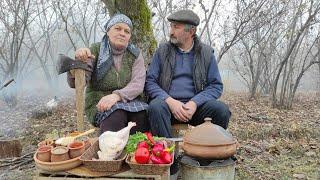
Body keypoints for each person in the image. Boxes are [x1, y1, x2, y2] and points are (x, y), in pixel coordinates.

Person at [145, 9, 231, 138]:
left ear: (191, 32)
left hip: (195, 109)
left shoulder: (206, 53)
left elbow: (215, 86)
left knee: (221, 110)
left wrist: (194, 103)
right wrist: (170, 101)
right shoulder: (162, 51)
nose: (171, 32)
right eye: (171, 27)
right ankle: (166, 154)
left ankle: (205, 155)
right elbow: (150, 82)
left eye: (176, 27)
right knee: (155, 107)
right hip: (167, 107)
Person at [67, 14, 149, 134]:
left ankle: (139, 151)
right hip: (100, 102)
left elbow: (138, 84)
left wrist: (117, 96)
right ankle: (109, 151)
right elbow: (78, 82)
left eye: (127, 31)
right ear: (108, 31)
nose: (122, 33)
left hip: (129, 100)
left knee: (141, 116)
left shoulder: (135, 54)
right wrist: (80, 61)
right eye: (118, 28)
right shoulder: (96, 50)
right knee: (116, 115)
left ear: (129, 36)